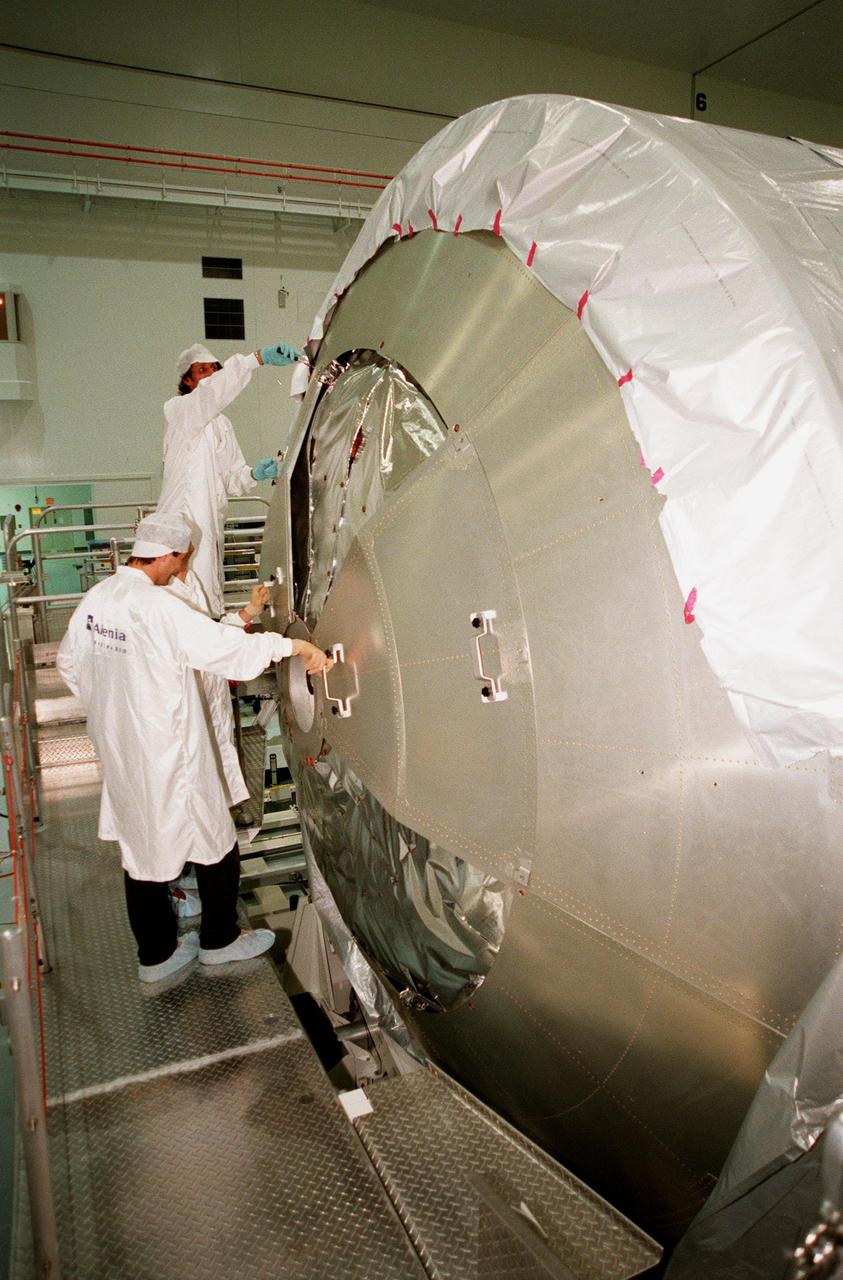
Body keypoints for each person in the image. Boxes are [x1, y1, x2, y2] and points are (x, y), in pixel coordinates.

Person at [57, 513, 331, 984]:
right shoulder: (157, 607)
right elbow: (225, 652)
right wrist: (295, 648)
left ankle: (156, 955)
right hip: (169, 751)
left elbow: (69, 664)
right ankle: (219, 941)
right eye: (182, 561)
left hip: (122, 750)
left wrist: (117, 706)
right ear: (168, 555)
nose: (182, 571)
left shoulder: (97, 600)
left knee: (141, 851)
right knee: (215, 841)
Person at [156, 340, 301, 618]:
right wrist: (255, 359)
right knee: (182, 596)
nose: (210, 374)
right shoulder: (178, 410)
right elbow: (210, 394)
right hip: (182, 519)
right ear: (187, 380)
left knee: (206, 591)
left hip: (209, 522)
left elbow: (231, 479)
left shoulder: (222, 425)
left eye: (214, 368)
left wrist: (254, 473)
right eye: (202, 370)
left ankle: (212, 632)